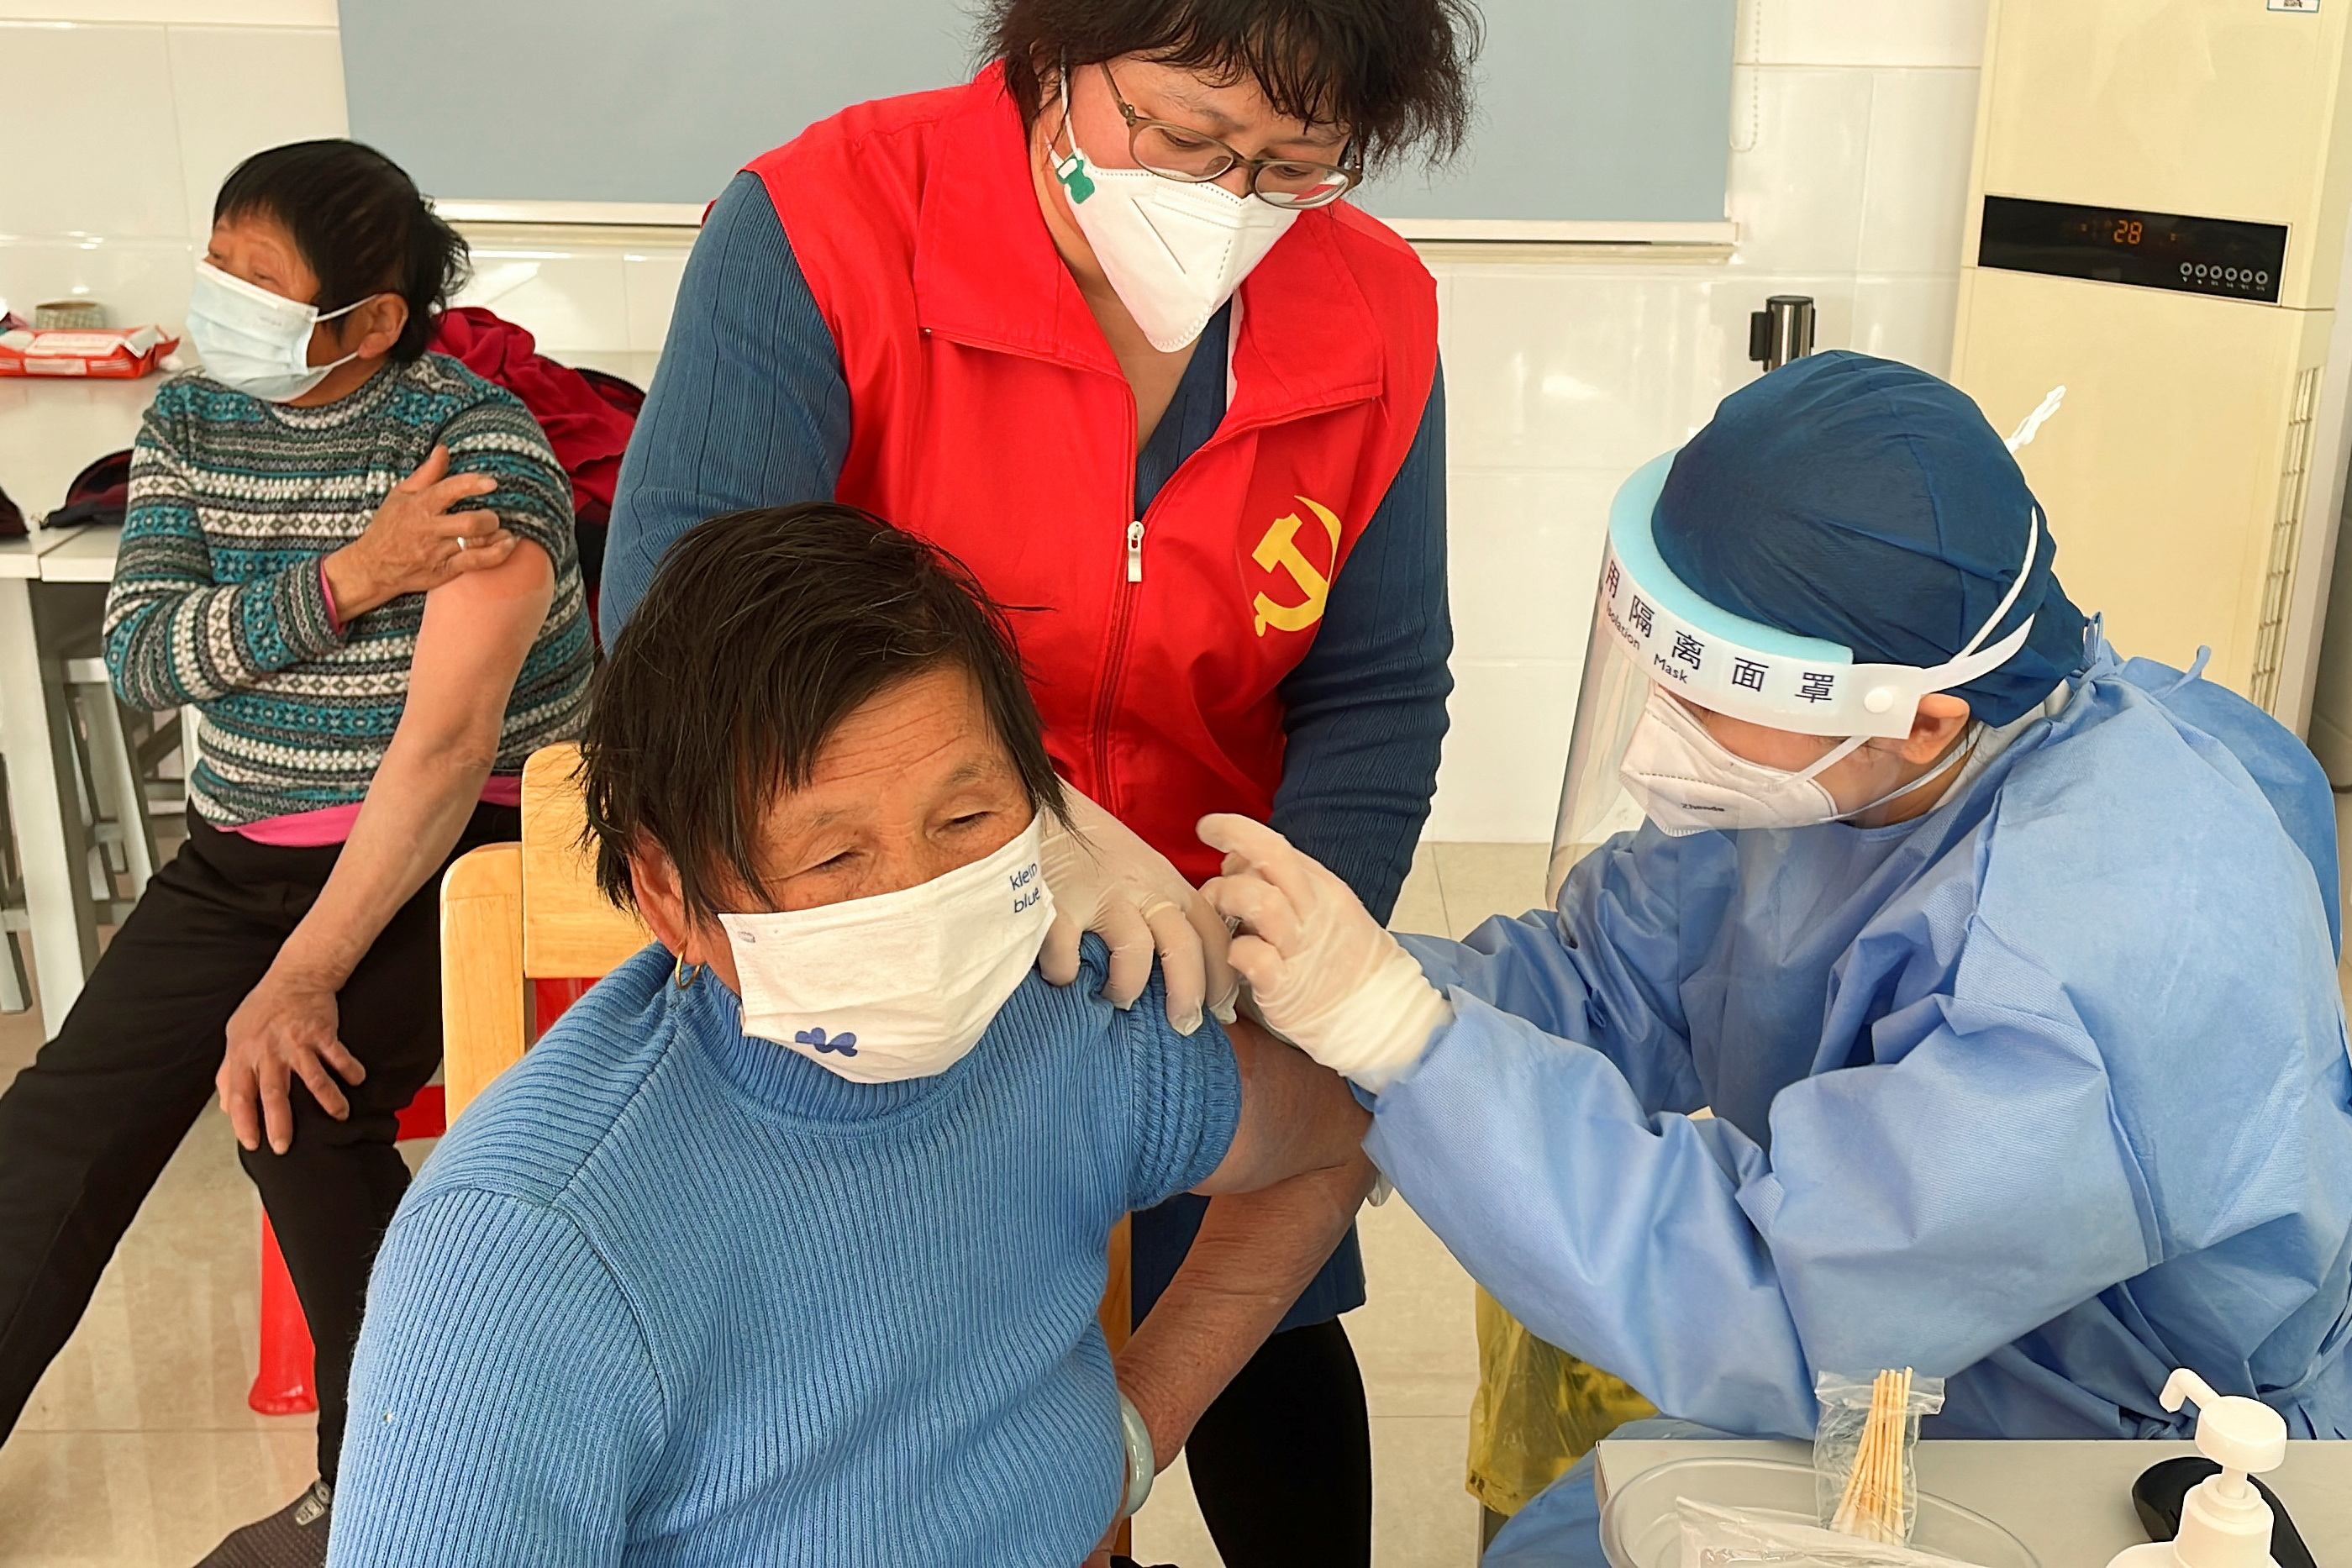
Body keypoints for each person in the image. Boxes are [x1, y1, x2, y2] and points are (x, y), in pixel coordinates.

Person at [1200, 353, 2352, 1565]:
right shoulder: (1848, 783)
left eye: (1704, 691)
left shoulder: (2103, 960)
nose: (1663, 722)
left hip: (2116, 1444)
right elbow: (1605, 978)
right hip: (1904, 1338)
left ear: (1917, 714)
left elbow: (1775, 1291)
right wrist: (1311, 989)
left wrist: (1402, 1043)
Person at [601, 3, 1475, 1555]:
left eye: (1289, 167)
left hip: (1193, 928)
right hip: (886, 900)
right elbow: (677, 606)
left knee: (1263, 1314)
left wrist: (1287, 948)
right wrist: (1042, 832)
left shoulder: (1371, 312)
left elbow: (1377, 685)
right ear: (1053, 53)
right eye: (1181, 138)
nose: (1222, 202)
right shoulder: (831, 225)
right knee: (909, 1353)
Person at [327, 502, 1375, 1565]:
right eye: (834, 862)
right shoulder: (527, 1252)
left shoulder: (1063, 1015)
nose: (924, 901)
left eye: (967, 822)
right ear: (667, 892)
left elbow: (1357, 1115)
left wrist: (1138, 1429)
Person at [0, 139, 592, 1566]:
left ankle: (388, 1497)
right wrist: (354, 577)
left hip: (460, 846)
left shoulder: (476, 457)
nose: (222, 302)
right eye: (219, 265)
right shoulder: (191, 420)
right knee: (47, 1135)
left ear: (371, 318)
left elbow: (447, 756)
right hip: (242, 847)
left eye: (257, 282)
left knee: (299, 1112)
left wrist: (305, 974)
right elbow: (144, 660)